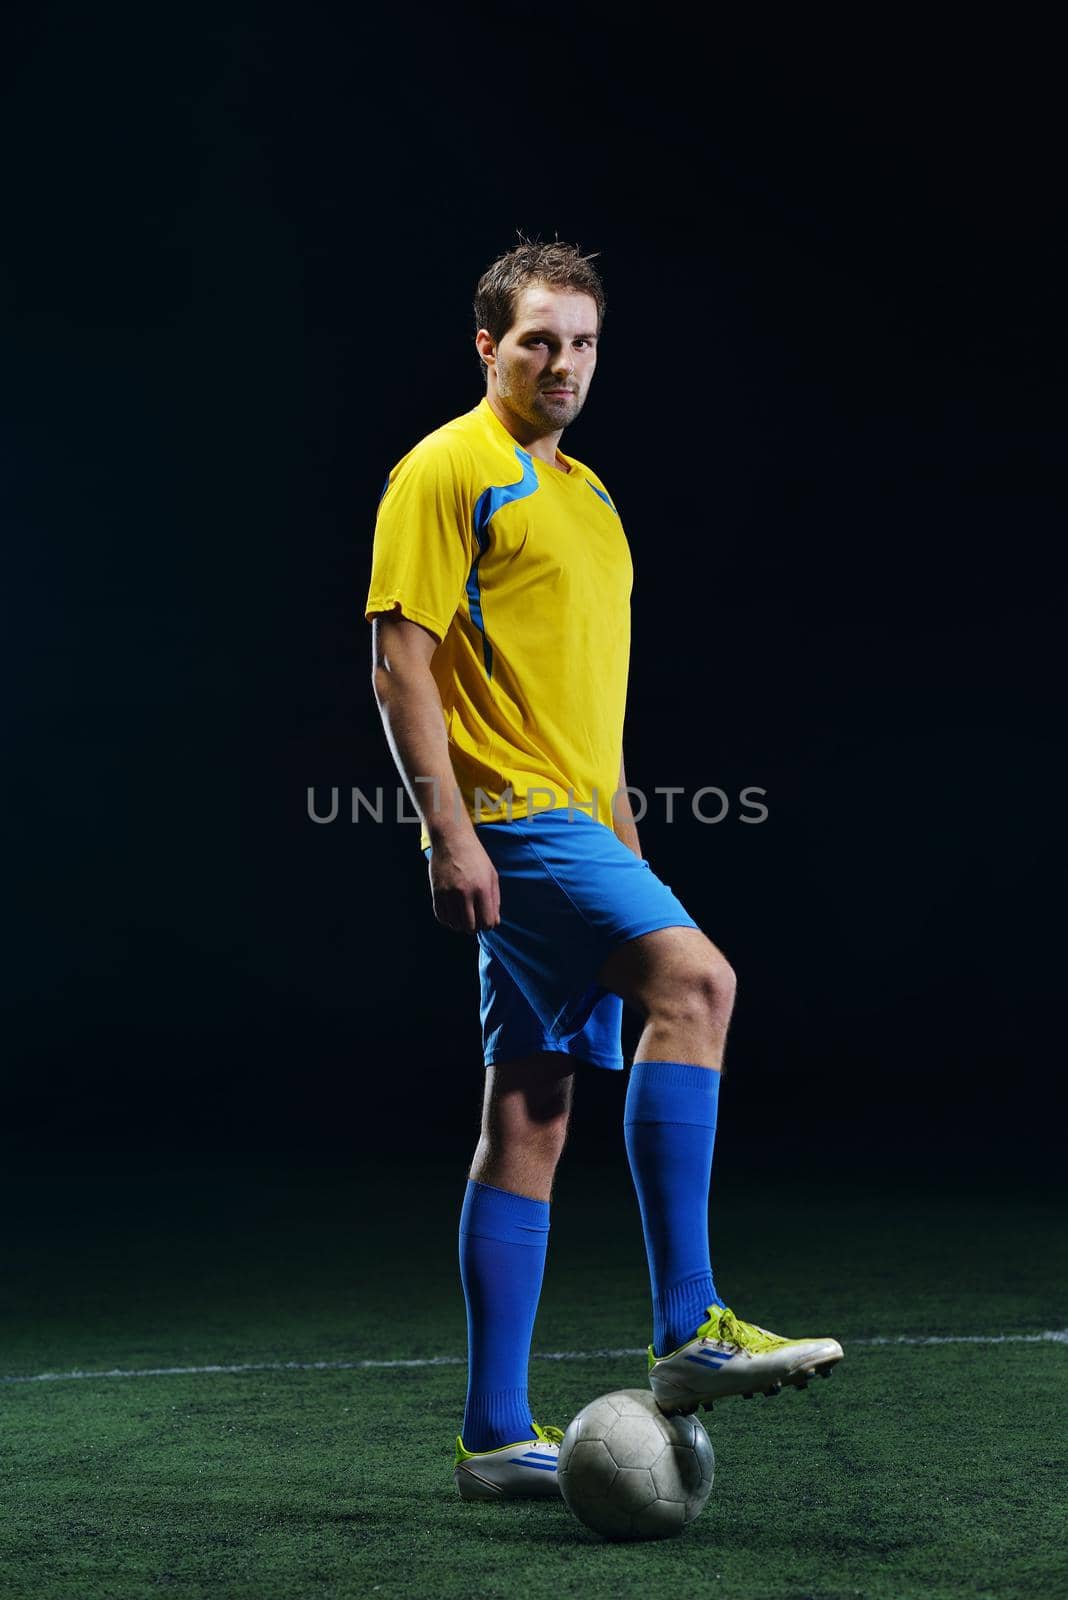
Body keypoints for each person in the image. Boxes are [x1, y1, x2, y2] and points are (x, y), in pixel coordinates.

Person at [365, 240, 842, 1503]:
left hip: (580, 816)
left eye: (581, 342)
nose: (563, 363)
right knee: (699, 985)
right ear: (487, 346)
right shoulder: (448, 466)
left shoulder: (591, 496)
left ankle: (491, 1438)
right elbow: (399, 662)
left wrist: (627, 829)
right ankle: (690, 1323)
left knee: (530, 1108)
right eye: (537, 340)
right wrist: (450, 832)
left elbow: (589, 697)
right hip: (510, 817)